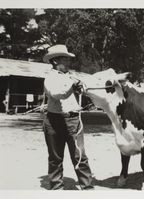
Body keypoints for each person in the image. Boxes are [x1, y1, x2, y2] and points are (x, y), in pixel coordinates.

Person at [42, 44, 94, 190]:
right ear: (55, 61)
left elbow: (82, 90)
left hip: (73, 120)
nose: (69, 62)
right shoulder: (49, 78)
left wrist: (80, 87)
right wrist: (71, 85)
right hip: (53, 121)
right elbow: (57, 94)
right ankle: (57, 188)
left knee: (80, 157)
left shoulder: (72, 76)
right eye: (65, 59)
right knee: (55, 158)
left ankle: (87, 188)